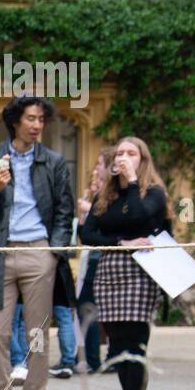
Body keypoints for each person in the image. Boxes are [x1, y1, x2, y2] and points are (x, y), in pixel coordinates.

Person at [0, 95, 75, 390]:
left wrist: (54, 251)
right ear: (15, 121)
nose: (36, 125)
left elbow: (64, 210)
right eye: (30, 118)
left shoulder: (55, 162)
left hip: (38, 253)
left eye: (41, 119)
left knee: (37, 336)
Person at [83, 138, 172, 390]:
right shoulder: (105, 195)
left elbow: (139, 218)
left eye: (130, 153)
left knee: (135, 346)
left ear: (142, 159)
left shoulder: (155, 193)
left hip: (141, 272)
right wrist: (120, 243)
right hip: (110, 271)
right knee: (117, 348)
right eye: (119, 153)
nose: (122, 157)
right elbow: (88, 234)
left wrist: (133, 182)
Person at [76, 146, 117, 373]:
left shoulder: (115, 197)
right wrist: (84, 219)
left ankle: (97, 358)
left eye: (100, 164)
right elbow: (87, 236)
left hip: (105, 260)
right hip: (93, 258)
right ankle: (93, 357)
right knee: (88, 307)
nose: (97, 169)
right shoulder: (99, 195)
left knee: (94, 308)